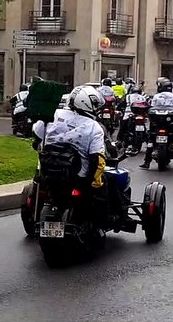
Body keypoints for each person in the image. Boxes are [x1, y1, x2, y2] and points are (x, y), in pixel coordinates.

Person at [33, 85, 117, 225]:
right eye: (95, 105)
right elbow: (98, 160)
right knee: (107, 185)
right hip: (78, 179)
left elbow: (36, 135)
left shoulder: (53, 113)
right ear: (86, 104)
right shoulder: (93, 127)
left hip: (47, 174)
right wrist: (94, 184)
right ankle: (102, 224)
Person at [142, 77, 173, 169]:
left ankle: (147, 163)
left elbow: (151, 108)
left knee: (151, 142)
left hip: (156, 124)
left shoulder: (156, 96)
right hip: (170, 125)